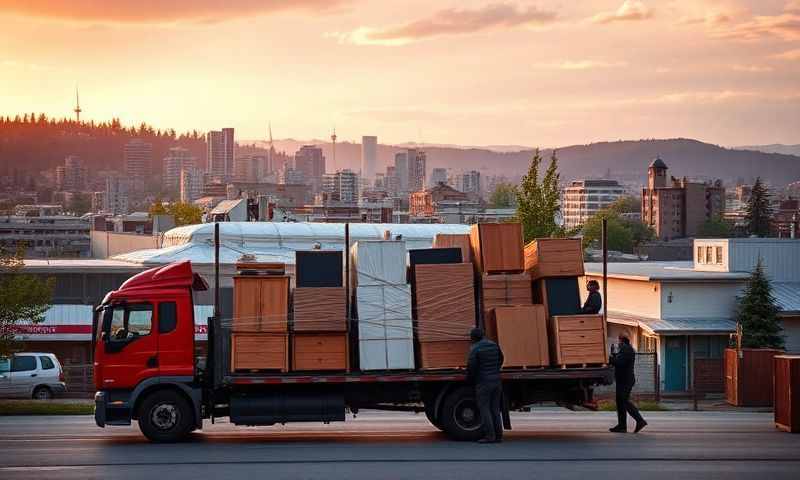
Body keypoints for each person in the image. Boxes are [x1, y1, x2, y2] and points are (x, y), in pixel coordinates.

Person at [466, 327, 505, 443]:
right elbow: (501, 358)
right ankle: (499, 436)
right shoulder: (494, 345)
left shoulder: (475, 348)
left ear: (473, 338)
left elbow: (471, 366)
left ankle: (490, 436)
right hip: (497, 381)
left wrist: (470, 379)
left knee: (484, 409)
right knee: (495, 409)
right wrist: (495, 370)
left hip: (483, 382)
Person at [609, 334, 647, 433]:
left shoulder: (626, 349)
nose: (618, 343)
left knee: (624, 401)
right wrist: (613, 355)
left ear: (622, 341)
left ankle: (640, 420)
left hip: (626, 380)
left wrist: (609, 358)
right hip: (623, 380)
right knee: (620, 403)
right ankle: (622, 426)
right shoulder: (625, 349)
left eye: (619, 341)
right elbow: (619, 360)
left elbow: (620, 362)